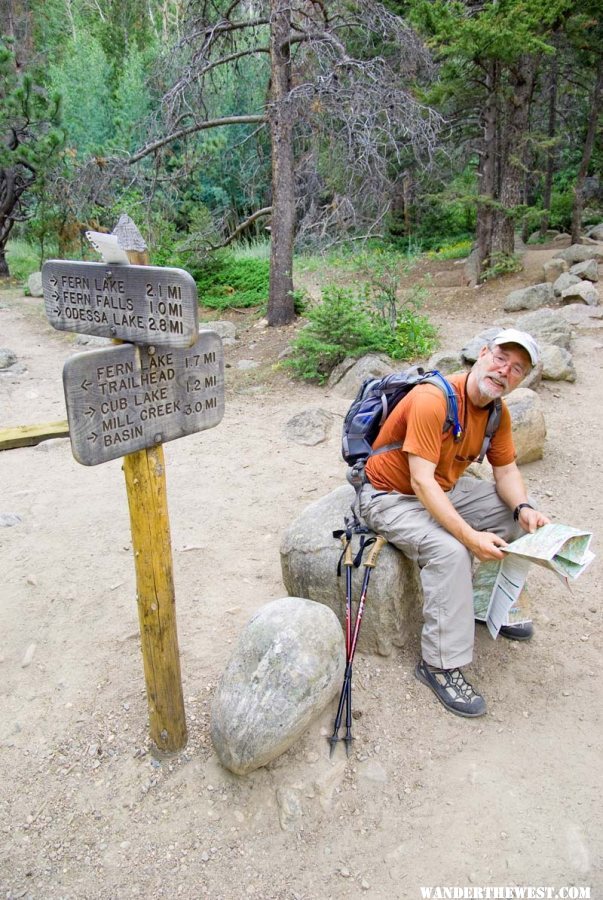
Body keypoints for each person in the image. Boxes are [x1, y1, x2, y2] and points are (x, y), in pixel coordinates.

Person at [358, 329, 551, 718]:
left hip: (442, 489)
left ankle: (483, 604)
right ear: (482, 354)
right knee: (452, 550)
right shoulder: (434, 398)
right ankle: (440, 665)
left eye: (516, 369)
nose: (504, 372)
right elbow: (420, 482)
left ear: (519, 381)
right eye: (500, 358)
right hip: (390, 495)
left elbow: (507, 469)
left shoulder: (497, 413)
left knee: (510, 517)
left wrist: (523, 509)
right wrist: (468, 536)